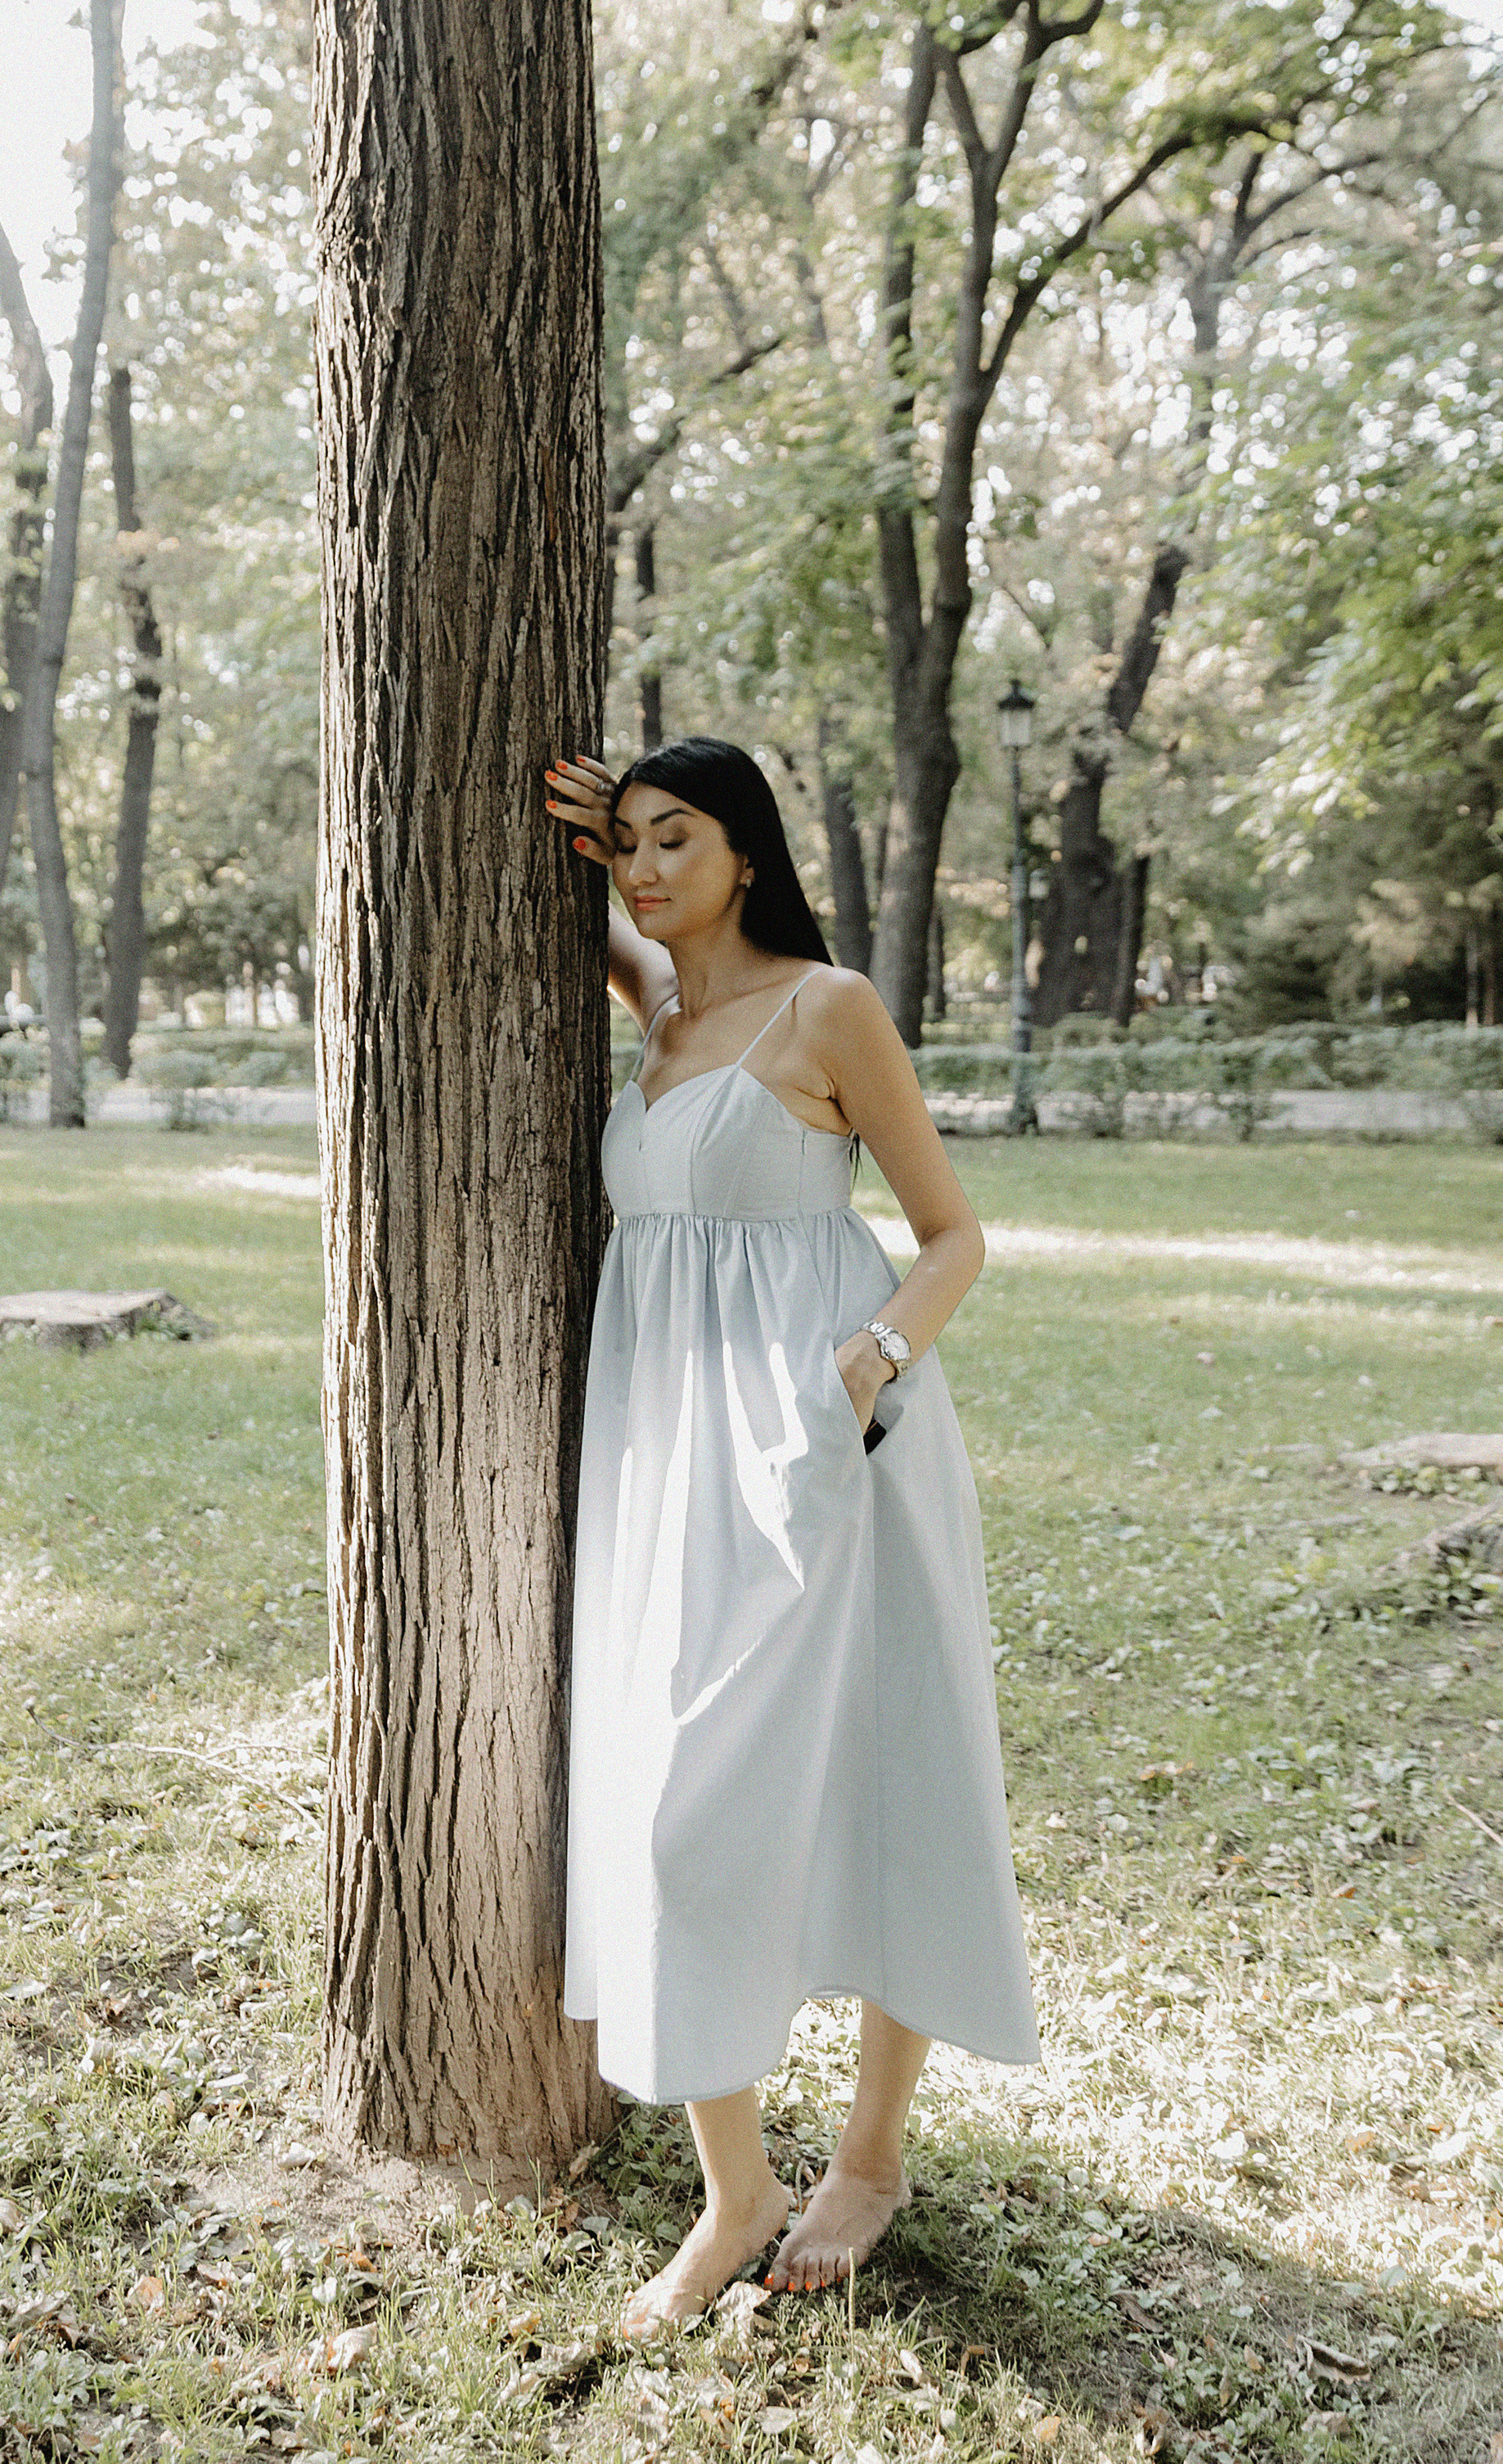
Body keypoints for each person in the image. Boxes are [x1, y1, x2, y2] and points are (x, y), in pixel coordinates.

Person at [543, 741, 1038, 2334]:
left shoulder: (825, 1006)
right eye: (625, 842)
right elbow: (622, 948)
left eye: (672, 837)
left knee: (891, 1774)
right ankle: (735, 2193)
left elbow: (953, 1235)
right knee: (678, 1803)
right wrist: (578, 846)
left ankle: (871, 2158)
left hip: (837, 1440)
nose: (642, 866)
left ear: (744, 850)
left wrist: (871, 1364)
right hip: (675, 1454)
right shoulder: (664, 1014)